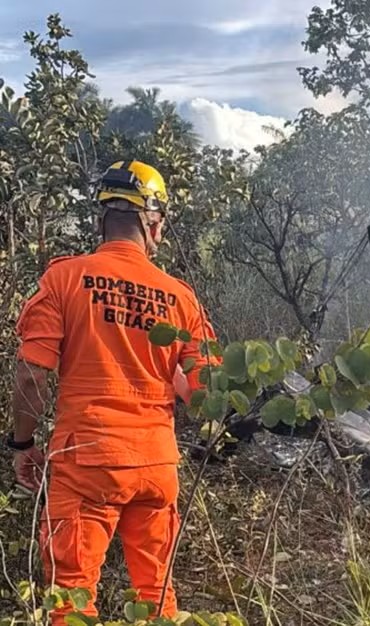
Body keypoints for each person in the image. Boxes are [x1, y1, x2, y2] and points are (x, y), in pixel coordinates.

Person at [7, 160, 216, 624]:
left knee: (71, 596)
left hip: (86, 461)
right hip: (156, 465)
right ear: (154, 224)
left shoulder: (64, 278)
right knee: (156, 592)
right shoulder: (180, 297)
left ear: (101, 218)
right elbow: (204, 395)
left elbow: (31, 376)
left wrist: (22, 444)